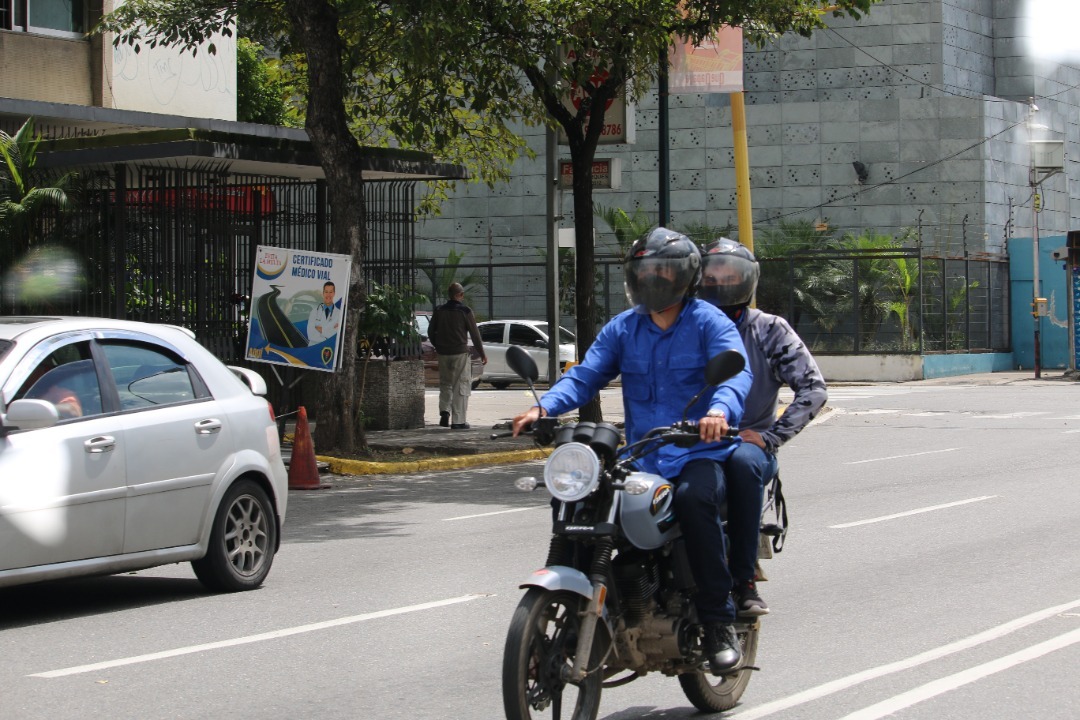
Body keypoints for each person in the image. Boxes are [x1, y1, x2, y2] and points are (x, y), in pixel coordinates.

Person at [512, 227, 753, 675]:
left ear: (685, 276)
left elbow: (735, 376)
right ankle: (573, 609)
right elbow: (586, 375)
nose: (653, 278)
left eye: (663, 270)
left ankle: (719, 621)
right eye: (645, 270)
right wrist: (542, 407)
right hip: (641, 456)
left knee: (694, 500)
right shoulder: (624, 327)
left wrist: (718, 411)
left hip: (697, 453)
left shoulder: (708, 322)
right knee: (579, 501)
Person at [699, 237, 828, 617]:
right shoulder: (684, 325)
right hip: (686, 440)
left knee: (742, 463)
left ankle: (743, 581)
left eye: (730, 275)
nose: (721, 282)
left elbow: (814, 389)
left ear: (747, 280)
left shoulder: (770, 330)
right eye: (712, 275)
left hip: (745, 442)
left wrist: (771, 436)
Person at [429, 282, 487, 429]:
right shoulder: (465, 311)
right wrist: (481, 353)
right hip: (459, 353)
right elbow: (475, 335)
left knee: (445, 383)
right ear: (459, 295)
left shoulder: (439, 310)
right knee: (460, 385)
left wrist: (438, 345)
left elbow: (431, 331)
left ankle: (444, 412)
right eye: (462, 294)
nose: (463, 297)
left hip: (442, 353)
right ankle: (458, 420)